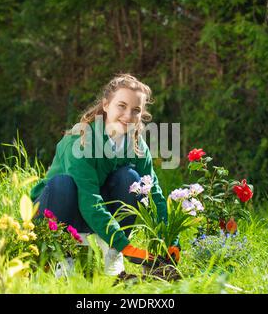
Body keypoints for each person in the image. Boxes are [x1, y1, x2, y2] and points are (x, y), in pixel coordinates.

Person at [30, 73, 180, 276]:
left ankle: (112, 256)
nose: (128, 115)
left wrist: (171, 241)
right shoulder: (80, 141)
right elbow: (88, 200)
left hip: (98, 214)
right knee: (63, 184)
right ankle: (60, 257)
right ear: (106, 105)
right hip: (59, 209)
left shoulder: (136, 146)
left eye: (136, 110)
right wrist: (127, 246)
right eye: (122, 106)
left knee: (131, 178)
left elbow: (153, 195)